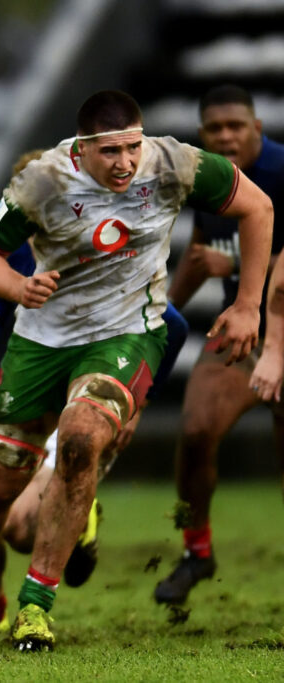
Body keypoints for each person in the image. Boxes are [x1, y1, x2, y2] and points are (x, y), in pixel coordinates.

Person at [0, 89, 273, 654]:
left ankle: (35, 607)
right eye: (110, 151)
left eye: (132, 147)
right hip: (42, 343)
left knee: (80, 438)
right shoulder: (43, 181)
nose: (125, 162)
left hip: (126, 333)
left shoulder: (174, 163)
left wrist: (247, 305)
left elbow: (258, 207)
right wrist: (18, 287)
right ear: (81, 149)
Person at [0, 152, 191, 632]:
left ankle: (65, 543)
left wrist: (136, 406)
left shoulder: (99, 249)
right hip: (31, 399)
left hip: (83, 402)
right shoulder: (15, 248)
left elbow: (173, 326)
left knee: (18, 528)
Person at [154, 84, 284, 605]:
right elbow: (199, 253)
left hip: (279, 327)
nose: (226, 136)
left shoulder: (280, 172)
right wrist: (157, 313)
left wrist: (233, 264)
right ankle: (197, 551)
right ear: (201, 134)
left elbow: (235, 259)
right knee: (195, 431)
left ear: (258, 128)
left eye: (236, 126)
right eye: (215, 128)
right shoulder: (207, 177)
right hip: (242, 333)